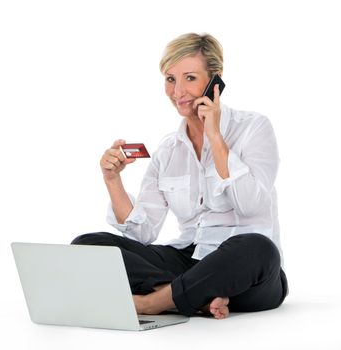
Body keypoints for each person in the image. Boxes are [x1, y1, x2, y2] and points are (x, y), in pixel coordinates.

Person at [71, 33, 288, 320]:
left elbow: (251, 206)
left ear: (215, 80)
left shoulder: (254, 128)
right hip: (190, 260)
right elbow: (142, 232)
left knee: (258, 248)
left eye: (189, 78)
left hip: (245, 270)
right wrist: (112, 180)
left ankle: (151, 303)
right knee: (88, 245)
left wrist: (215, 135)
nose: (177, 92)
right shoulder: (168, 150)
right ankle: (189, 297)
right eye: (170, 79)